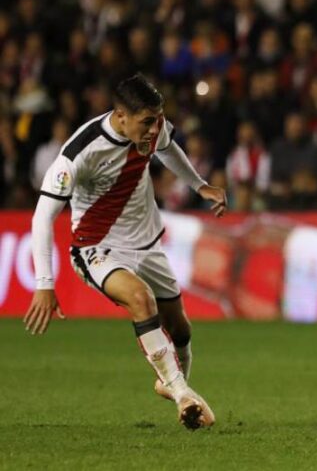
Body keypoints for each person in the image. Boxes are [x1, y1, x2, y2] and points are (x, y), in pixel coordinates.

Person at [24, 73, 227, 430]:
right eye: (146, 122)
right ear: (120, 116)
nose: (154, 129)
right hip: (96, 247)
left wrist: (200, 185)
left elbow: (168, 148)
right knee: (140, 298)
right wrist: (44, 282)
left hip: (147, 245)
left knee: (180, 330)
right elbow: (43, 216)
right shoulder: (79, 153)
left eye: (157, 119)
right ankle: (182, 394)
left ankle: (171, 382)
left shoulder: (153, 126)